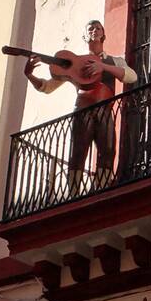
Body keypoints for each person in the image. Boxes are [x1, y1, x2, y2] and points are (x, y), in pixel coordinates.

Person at [24, 20, 137, 194]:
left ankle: (102, 187)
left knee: (107, 150)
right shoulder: (75, 63)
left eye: (98, 28)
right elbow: (47, 87)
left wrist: (103, 66)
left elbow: (131, 76)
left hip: (105, 108)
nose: (95, 30)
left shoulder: (115, 61)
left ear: (103, 35)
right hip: (83, 108)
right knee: (78, 150)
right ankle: (73, 192)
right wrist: (30, 75)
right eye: (90, 28)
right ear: (85, 36)